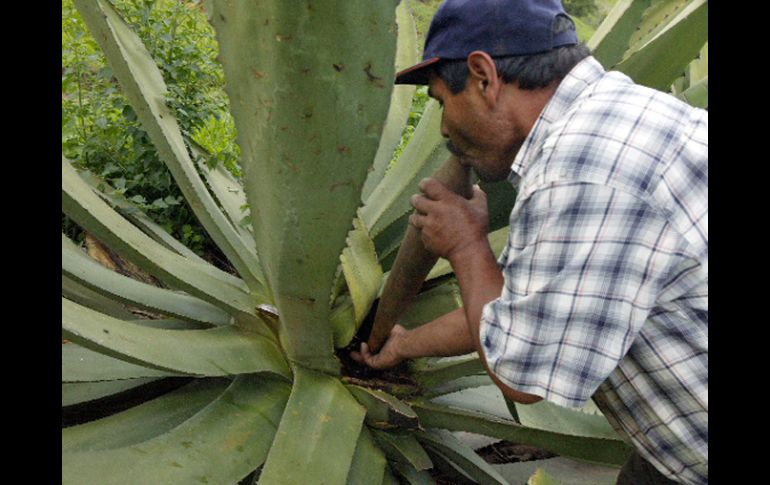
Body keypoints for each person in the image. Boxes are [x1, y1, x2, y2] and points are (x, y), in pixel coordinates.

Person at [351, 1, 708, 484]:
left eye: (440, 101)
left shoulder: (583, 173)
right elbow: (527, 312)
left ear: (483, 76)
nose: (443, 128)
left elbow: (522, 376)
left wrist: (465, 245)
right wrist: (402, 346)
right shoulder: (615, 116)